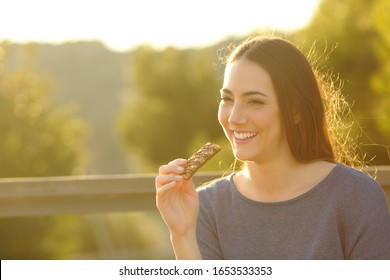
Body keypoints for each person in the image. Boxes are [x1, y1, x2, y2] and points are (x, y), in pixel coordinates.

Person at [155, 35, 390, 259]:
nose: (234, 117)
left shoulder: (357, 196)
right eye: (227, 99)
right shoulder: (204, 208)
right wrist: (182, 235)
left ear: (295, 110)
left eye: (254, 101)